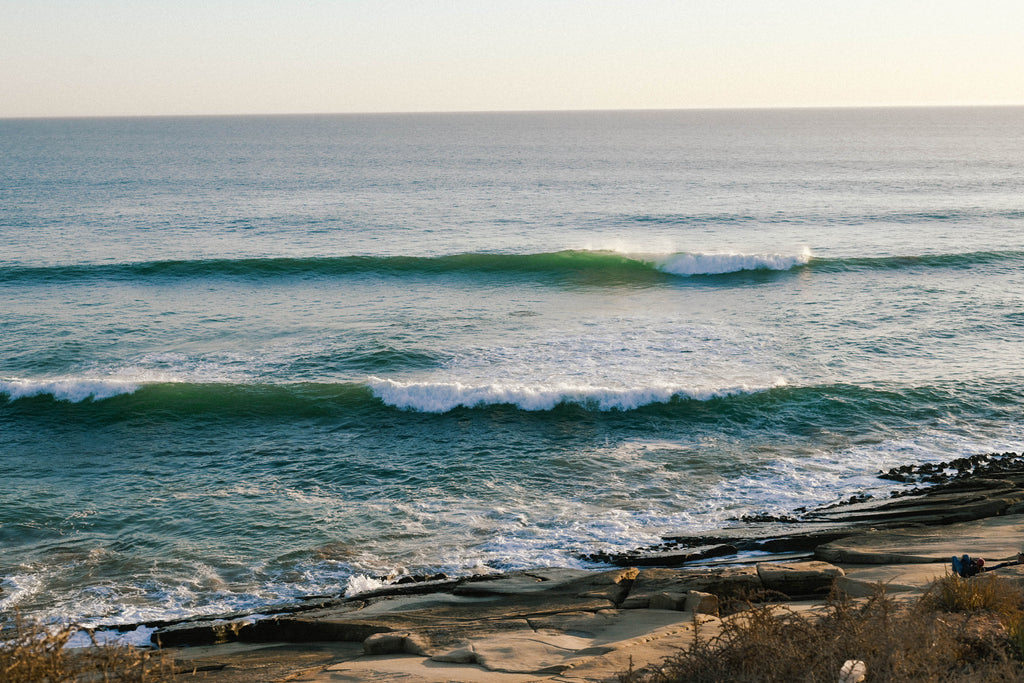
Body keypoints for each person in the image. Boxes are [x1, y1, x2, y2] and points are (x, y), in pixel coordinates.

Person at [952, 552, 1024, 578]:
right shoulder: (982, 569)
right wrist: (1003, 564)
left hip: (962, 572)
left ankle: (954, 573)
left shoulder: (974, 568)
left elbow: (967, 568)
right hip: (966, 568)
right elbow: (994, 567)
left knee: (954, 558)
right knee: (965, 556)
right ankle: (960, 563)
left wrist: (964, 562)